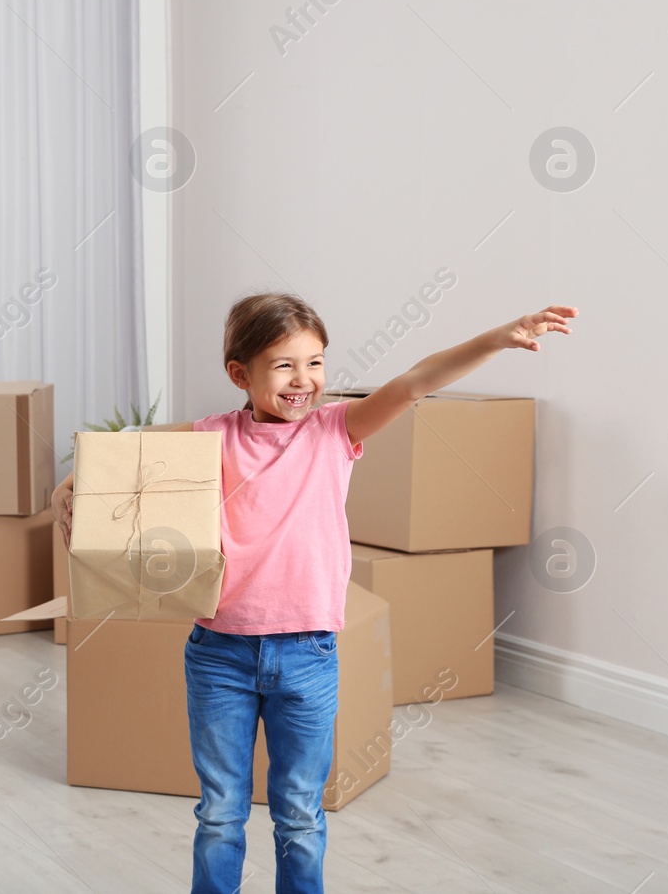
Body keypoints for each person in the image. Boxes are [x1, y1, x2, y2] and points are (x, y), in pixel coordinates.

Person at [54, 293, 577, 892]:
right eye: (284, 365)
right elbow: (131, 452)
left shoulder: (335, 430)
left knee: (299, 813)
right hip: (219, 654)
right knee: (221, 811)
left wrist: (497, 338)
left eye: (316, 362)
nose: (305, 380)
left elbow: (414, 383)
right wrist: (68, 483)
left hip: (308, 656)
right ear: (239, 374)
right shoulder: (211, 438)